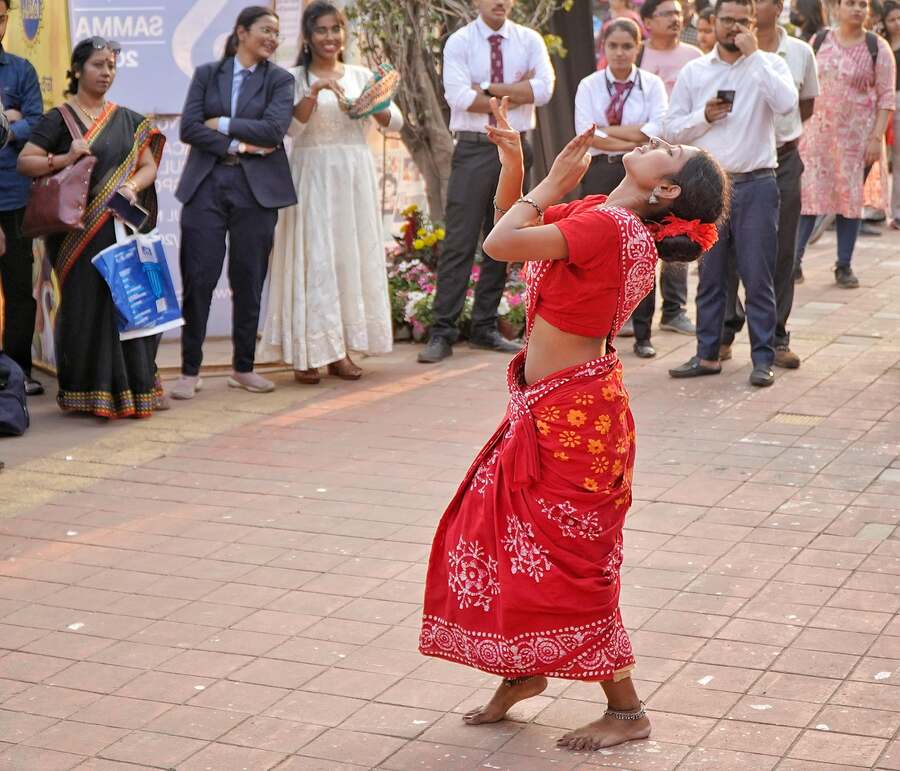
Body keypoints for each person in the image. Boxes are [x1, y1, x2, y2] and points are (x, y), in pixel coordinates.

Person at [419, 96, 727, 751]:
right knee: (511, 540)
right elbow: (515, 229)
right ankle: (524, 670)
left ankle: (625, 710)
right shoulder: (604, 218)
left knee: (570, 563)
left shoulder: (608, 229)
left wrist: (554, 179)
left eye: (666, 149)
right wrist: (518, 162)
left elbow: (500, 242)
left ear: (665, 186)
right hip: (565, 408)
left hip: (569, 420)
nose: (653, 140)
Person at [17, 38, 166, 418]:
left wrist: (131, 187)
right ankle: (87, 392)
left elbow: (147, 165)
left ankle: (137, 389)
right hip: (74, 236)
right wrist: (65, 157)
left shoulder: (129, 120)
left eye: (112, 66)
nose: (106, 73)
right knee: (85, 309)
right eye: (98, 65)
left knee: (128, 305)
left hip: (119, 227)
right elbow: (26, 162)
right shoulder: (59, 119)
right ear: (79, 68)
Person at [257, 1, 403, 384]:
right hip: (311, 173)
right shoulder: (292, 78)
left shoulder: (361, 75)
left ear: (344, 34)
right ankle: (306, 353)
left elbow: (395, 121)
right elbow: (289, 130)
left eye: (335, 29)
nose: (329, 37)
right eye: (320, 30)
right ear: (307, 36)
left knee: (345, 258)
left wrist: (375, 104)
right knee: (313, 258)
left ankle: (341, 352)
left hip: (353, 176)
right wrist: (313, 94)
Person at [667, 0, 798, 387]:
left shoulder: (769, 65)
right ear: (713, 22)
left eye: (742, 22)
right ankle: (706, 355)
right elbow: (672, 129)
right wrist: (703, 117)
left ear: (754, 24)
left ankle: (762, 358)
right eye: (727, 21)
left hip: (757, 182)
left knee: (758, 276)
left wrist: (755, 56)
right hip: (709, 186)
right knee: (710, 276)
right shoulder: (695, 71)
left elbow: (788, 106)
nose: (734, 29)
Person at [417, 0, 555, 363]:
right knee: (460, 241)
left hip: (517, 148)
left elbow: (543, 91)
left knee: (504, 236)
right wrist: (516, 89)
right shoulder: (460, 41)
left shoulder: (529, 40)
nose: (500, 2)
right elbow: (459, 97)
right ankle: (442, 331)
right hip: (475, 148)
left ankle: (484, 327)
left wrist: (489, 88)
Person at [172, 5, 296, 399]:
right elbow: (189, 127)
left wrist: (221, 123)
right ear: (241, 32)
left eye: (276, 33)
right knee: (199, 278)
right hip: (207, 183)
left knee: (249, 279)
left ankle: (244, 367)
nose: (272, 38)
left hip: (256, 190)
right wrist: (240, 143)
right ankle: (189, 370)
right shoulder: (209, 73)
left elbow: (275, 130)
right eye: (265, 30)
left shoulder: (280, 80)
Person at [720, 0, 819, 370]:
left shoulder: (799, 52)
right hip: (736, 165)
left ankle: (776, 337)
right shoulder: (724, 53)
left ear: (777, 7)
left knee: (782, 252)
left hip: (783, 161)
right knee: (725, 252)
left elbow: (801, 106)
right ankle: (725, 331)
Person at [575, 18, 669, 357]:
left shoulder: (653, 84)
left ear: (638, 48)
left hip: (640, 176)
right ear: (604, 48)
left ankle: (643, 334)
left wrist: (611, 133)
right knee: (599, 248)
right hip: (600, 170)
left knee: (642, 247)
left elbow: (655, 131)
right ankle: (600, 333)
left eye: (627, 46)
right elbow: (587, 134)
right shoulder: (589, 85)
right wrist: (632, 135)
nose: (619, 53)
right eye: (613, 46)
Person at [794, 0, 895, 287]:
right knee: (808, 198)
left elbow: (886, 97)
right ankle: (794, 262)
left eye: (862, 4)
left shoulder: (878, 47)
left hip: (857, 141)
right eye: (850, 3)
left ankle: (844, 265)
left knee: (850, 202)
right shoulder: (820, 40)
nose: (857, 9)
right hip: (816, 137)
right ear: (836, 7)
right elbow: (803, 86)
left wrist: (876, 138)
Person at [621, 0, 702, 342]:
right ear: (648, 21)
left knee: (675, 232)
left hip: (678, 162)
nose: (676, 18)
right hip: (640, 160)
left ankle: (675, 310)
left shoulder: (695, 58)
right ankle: (631, 314)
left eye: (678, 12)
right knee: (635, 237)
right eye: (667, 13)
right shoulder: (637, 56)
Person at [0, 0, 44, 396]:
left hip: (13, 198)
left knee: (18, 288)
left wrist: (11, 129)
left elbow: (37, 124)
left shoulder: (20, 69)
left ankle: (17, 372)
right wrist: (7, 116)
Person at [884, 0, 900, 227]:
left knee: (898, 160)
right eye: (892, 20)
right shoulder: (880, 45)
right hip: (882, 104)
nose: (897, 23)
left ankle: (897, 212)